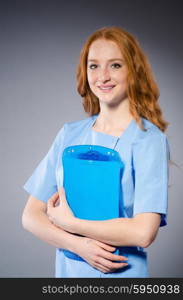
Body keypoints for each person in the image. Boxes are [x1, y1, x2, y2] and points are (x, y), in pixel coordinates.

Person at [22, 26, 170, 278]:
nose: (102, 76)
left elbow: (143, 232)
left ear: (133, 71)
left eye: (115, 65)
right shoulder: (70, 134)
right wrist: (78, 245)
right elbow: (31, 216)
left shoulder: (149, 139)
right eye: (94, 66)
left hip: (122, 274)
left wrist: (70, 224)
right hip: (69, 273)